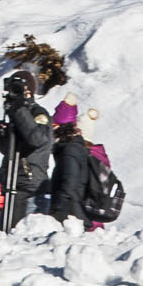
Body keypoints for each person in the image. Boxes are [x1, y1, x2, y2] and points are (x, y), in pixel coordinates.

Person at [0, 70, 53, 223]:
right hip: (13, 184)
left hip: (30, 188)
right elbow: (9, 150)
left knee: (21, 238)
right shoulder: (16, 113)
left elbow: (37, 140)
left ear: (28, 90)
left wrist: (19, 110)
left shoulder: (37, 113)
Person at [49, 95, 94, 223]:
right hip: (74, 211)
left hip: (71, 214)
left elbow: (69, 182)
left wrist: (57, 209)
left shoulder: (69, 150)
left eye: (54, 127)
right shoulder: (74, 148)